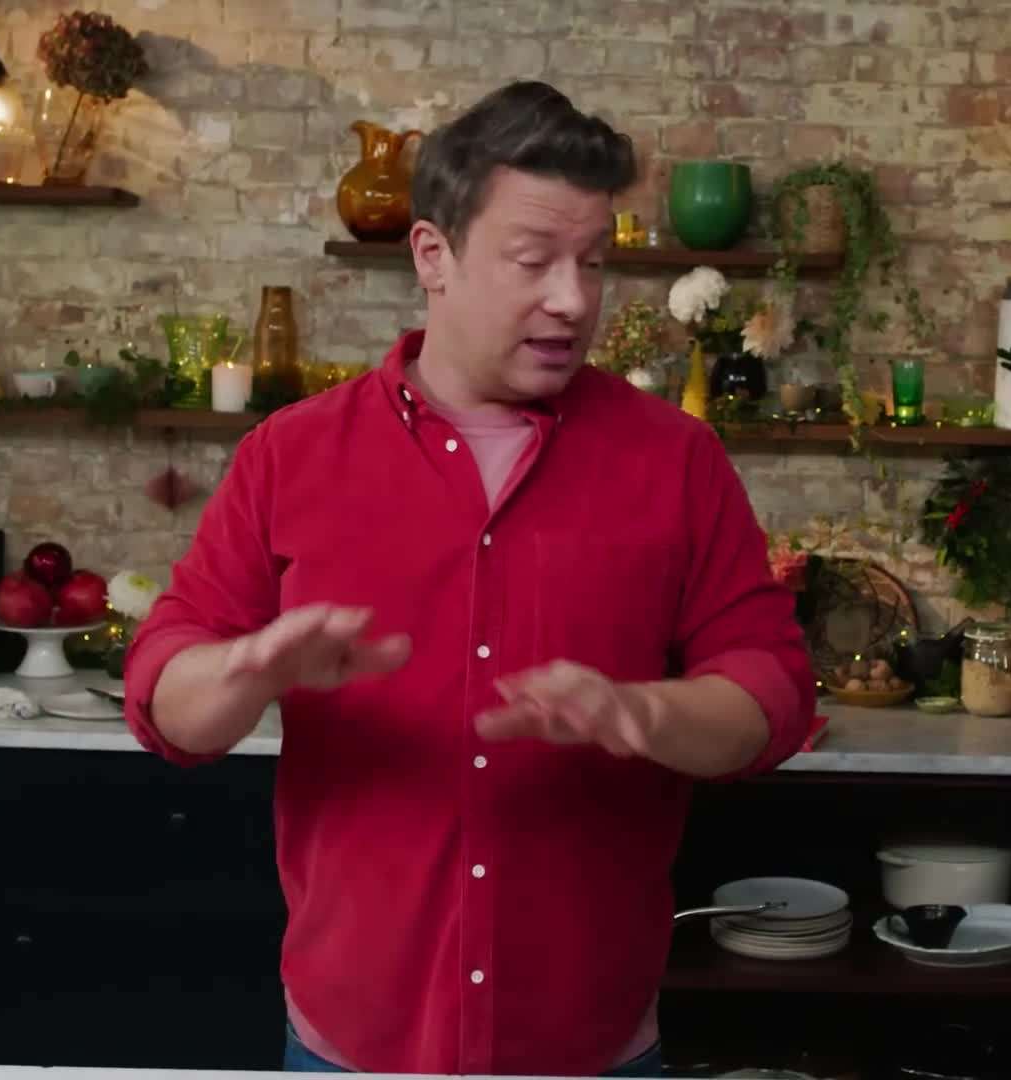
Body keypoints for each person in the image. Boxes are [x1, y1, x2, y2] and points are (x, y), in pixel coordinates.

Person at [124, 80, 815, 1077]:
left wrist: (644, 713)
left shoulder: (677, 461)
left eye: (593, 262)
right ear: (431, 255)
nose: (572, 299)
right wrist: (247, 670)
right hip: (349, 1046)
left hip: (592, 1048)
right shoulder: (290, 455)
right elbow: (164, 699)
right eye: (533, 261)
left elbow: (773, 692)